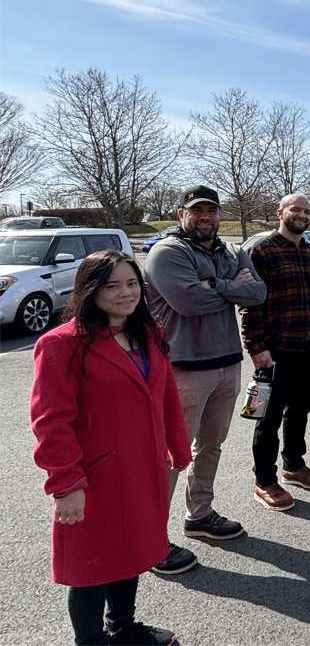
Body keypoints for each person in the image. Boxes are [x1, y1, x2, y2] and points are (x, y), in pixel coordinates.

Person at [30, 250, 191, 646]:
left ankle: (123, 626)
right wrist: (66, 484)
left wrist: (177, 446)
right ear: (90, 290)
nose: (126, 293)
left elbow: (165, 393)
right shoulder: (62, 345)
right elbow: (51, 421)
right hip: (94, 475)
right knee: (93, 564)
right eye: (112, 285)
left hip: (143, 465)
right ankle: (91, 640)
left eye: (132, 283)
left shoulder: (149, 330)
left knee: (133, 548)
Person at [144, 185, 267, 576]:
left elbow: (259, 293)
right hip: (183, 367)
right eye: (197, 210)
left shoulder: (229, 251)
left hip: (227, 362)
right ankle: (151, 541)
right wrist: (233, 288)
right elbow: (188, 302)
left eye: (212, 210)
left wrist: (214, 285)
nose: (205, 217)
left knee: (210, 445)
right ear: (181, 214)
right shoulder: (167, 252)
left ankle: (199, 515)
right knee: (171, 456)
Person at [241, 193, 310, 512]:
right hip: (273, 352)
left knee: (299, 411)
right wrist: (256, 347)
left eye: (307, 211)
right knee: (265, 417)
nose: (302, 215)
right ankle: (264, 480)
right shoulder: (261, 250)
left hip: (308, 347)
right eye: (296, 209)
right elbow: (250, 303)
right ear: (279, 212)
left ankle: (294, 465)